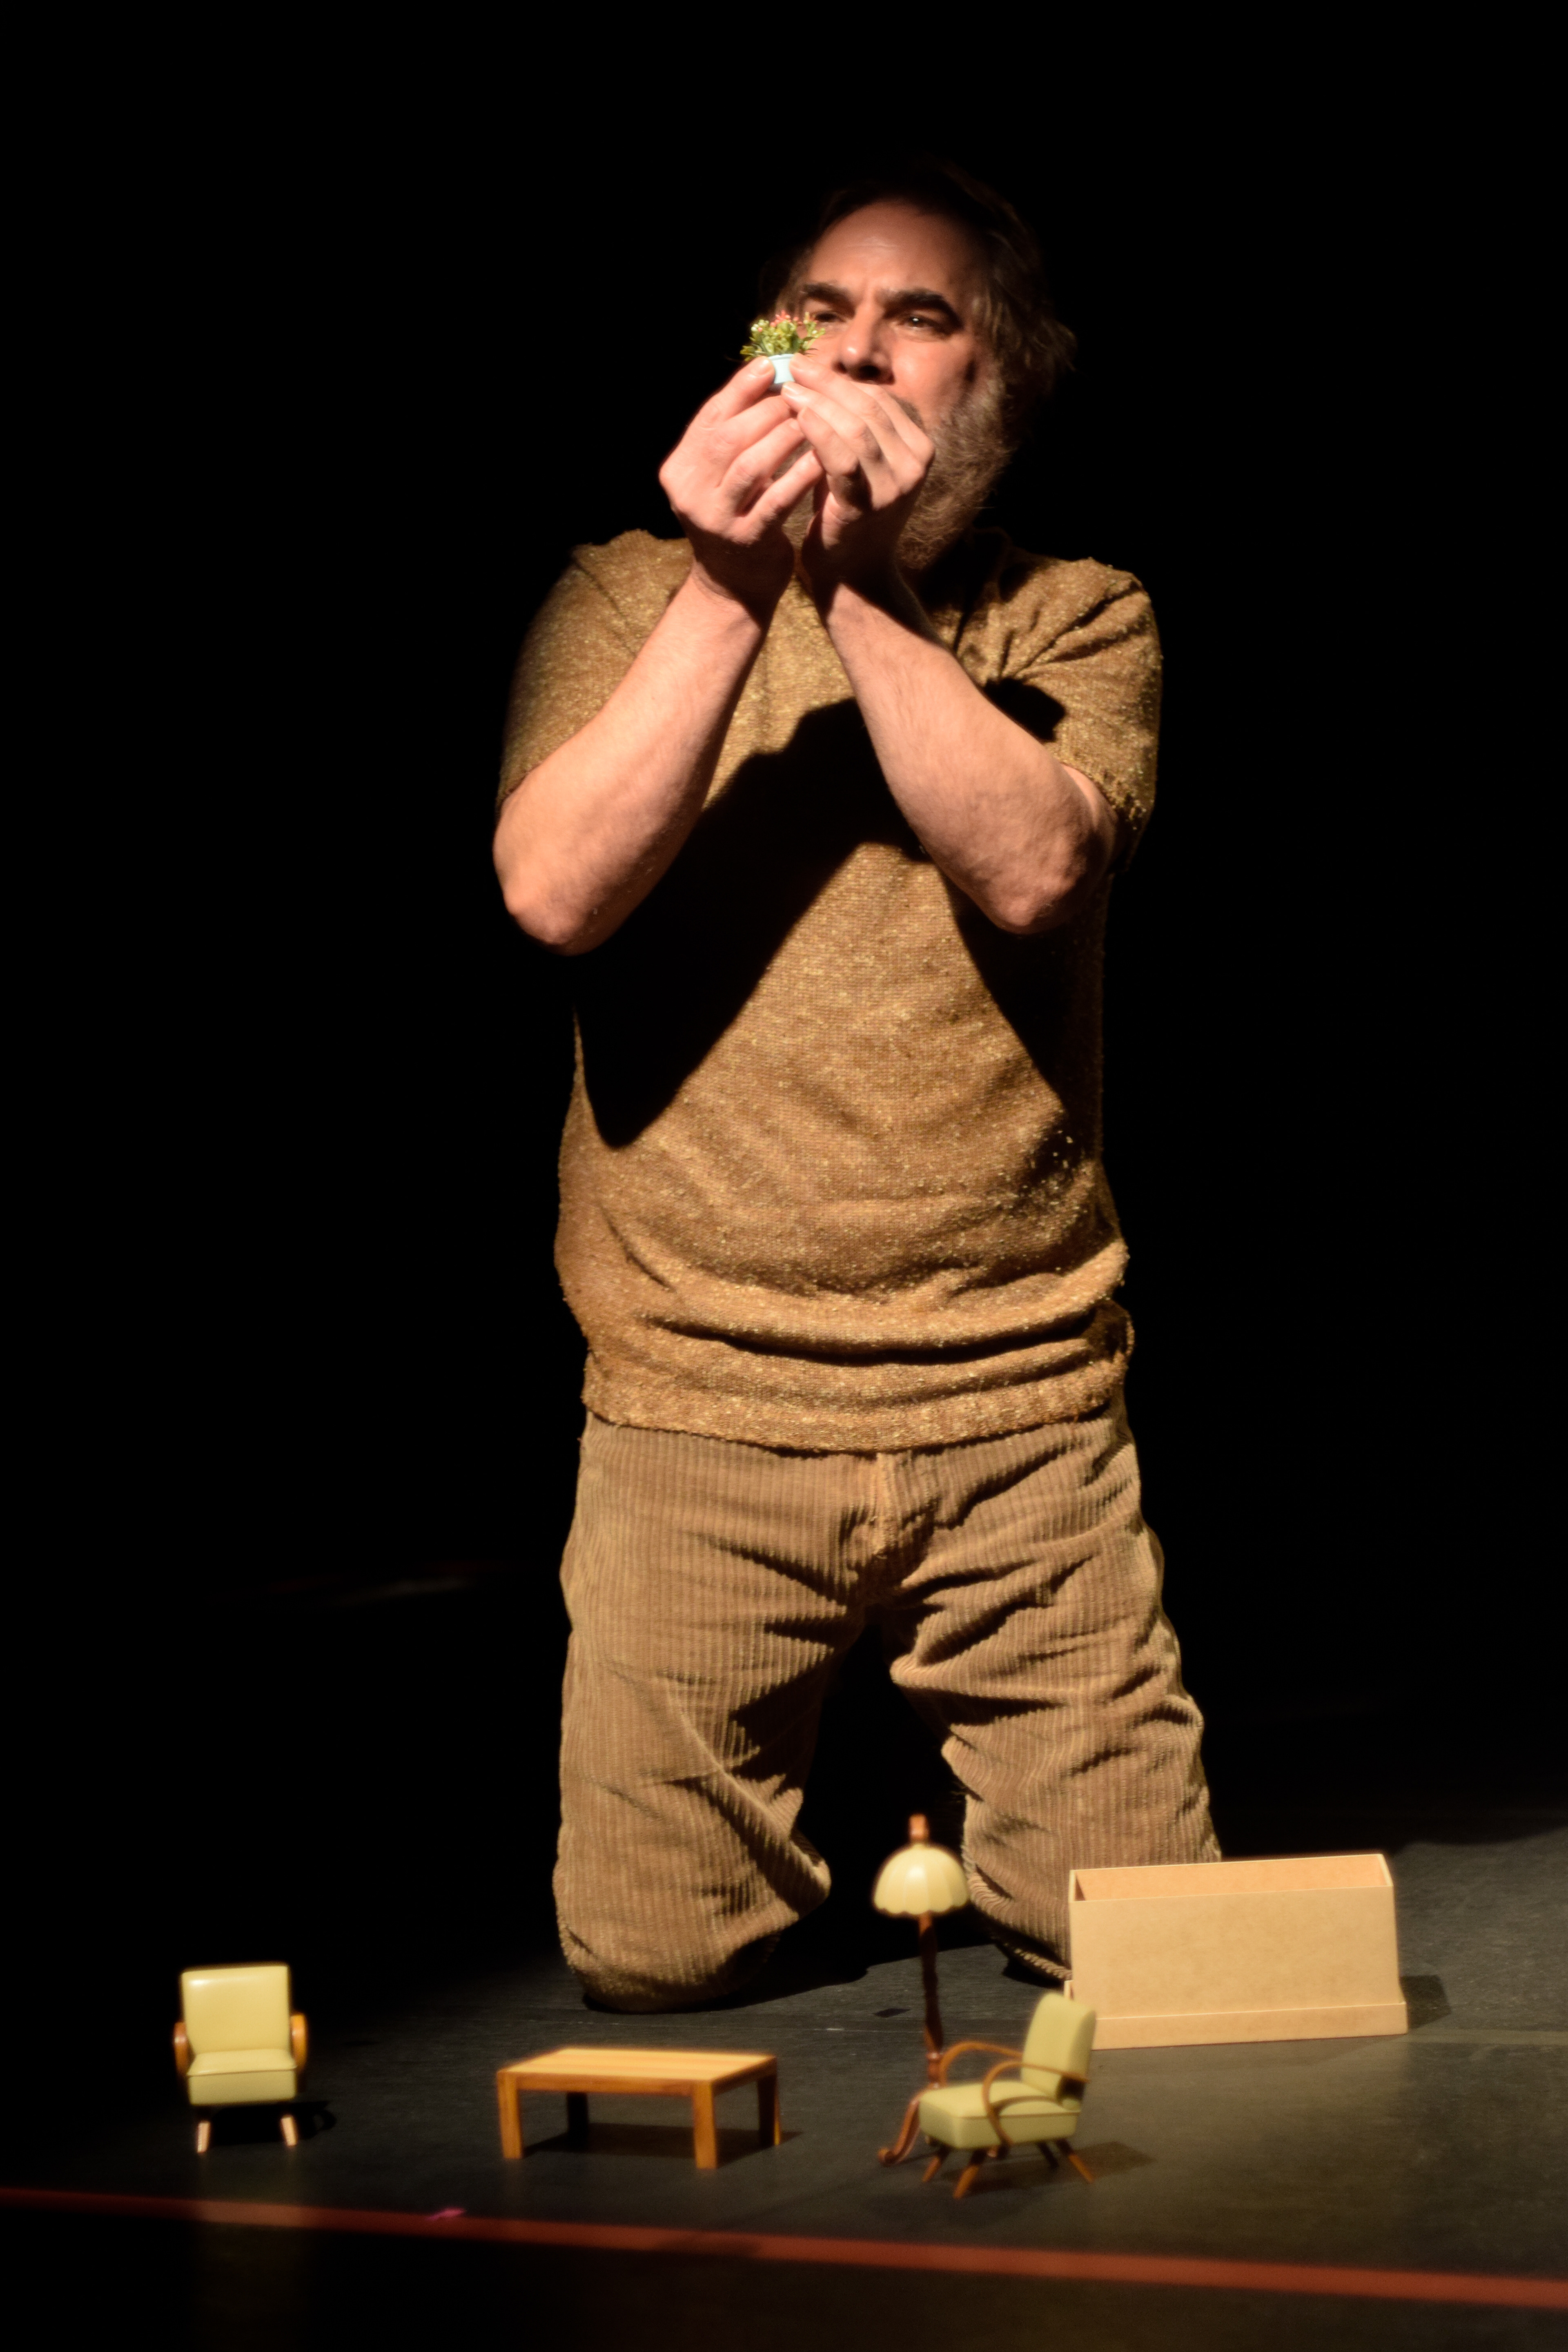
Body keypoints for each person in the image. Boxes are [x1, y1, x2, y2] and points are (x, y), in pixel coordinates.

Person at [493, 158, 1216, 2013]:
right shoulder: (620, 595)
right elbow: (555, 892)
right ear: (764, 349)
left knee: (1148, 1951)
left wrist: (857, 587)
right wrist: (736, 590)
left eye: (923, 316)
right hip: (703, 1395)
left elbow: (1036, 869)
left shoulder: (1076, 616)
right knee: (652, 1961)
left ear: (1004, 379)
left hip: (1015, 1402)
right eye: (821, 313)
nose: (862, 352)